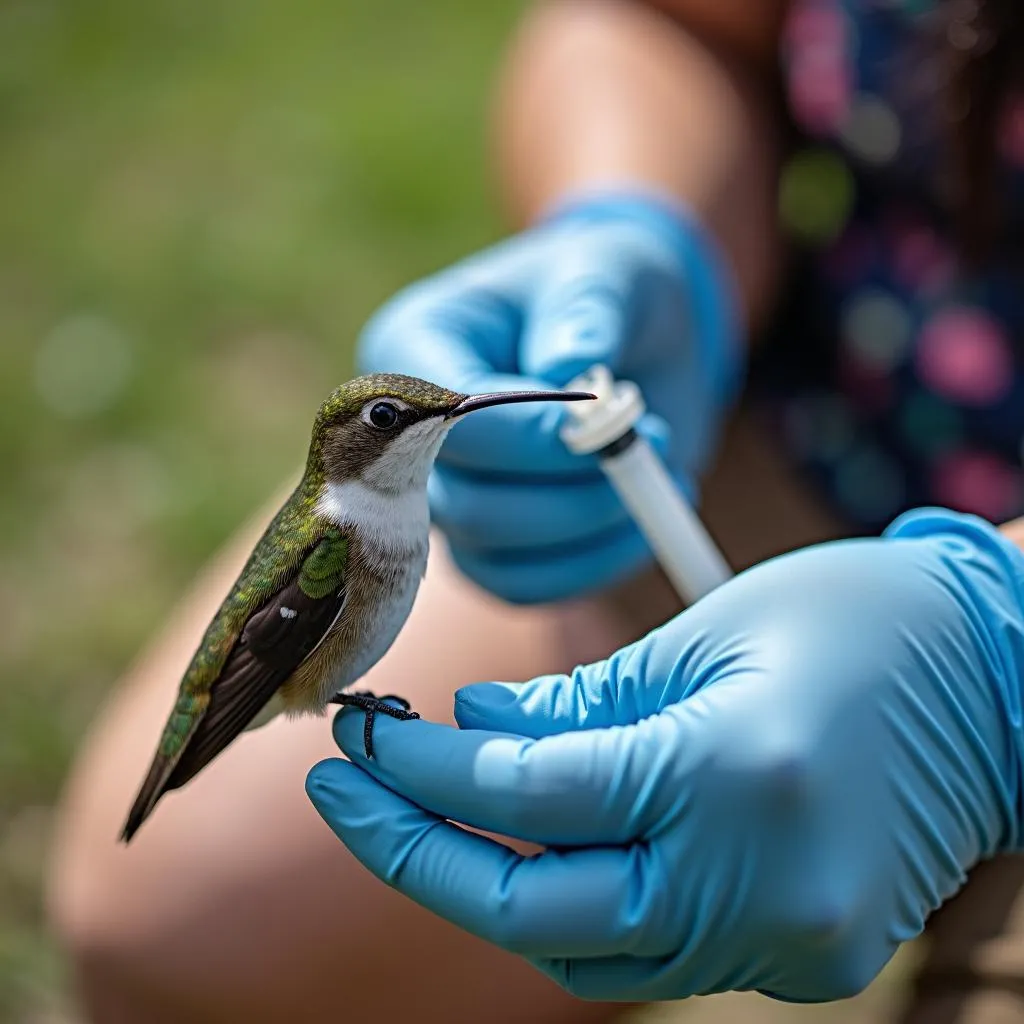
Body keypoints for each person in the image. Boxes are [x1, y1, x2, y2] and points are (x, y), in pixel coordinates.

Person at [46, 0, 1024, 1021]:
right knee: (199, 922)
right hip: (851, 422)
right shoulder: (337, 543)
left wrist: (995, 666)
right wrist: (641, 225)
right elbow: (671, 20)